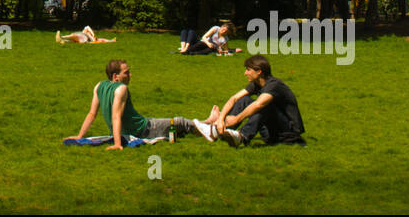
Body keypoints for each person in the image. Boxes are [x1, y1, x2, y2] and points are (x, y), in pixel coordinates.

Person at [65, 60, 200, 149]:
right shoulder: (121, 89)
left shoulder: (99, 86)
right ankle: (211, 127)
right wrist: (118, 144)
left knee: (181, 124)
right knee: (179, 122)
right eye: (126, 72)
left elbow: (91, 114)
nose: (130, 75)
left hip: (132, 129)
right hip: (145, 129)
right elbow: (116, 116)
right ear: (115, 76)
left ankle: (206, 122)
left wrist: (79, 136)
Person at [200, 54, 306, 146]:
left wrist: (236, 119)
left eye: (248, 70)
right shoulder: (256, 84)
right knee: (243, 100)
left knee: (264, 105)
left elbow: (258, 105)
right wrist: (221, 119)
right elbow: (234, 98)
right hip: (270, 131)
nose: (245, 73)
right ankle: (220, 130)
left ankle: (242, 136)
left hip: (287, 133)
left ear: (259, 71)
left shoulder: (274, 85)